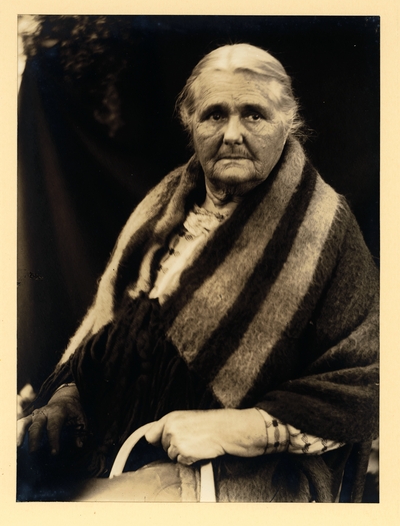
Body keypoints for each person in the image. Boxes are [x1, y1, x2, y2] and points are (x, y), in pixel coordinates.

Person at [17, 43, 379, 502]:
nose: (231, 133)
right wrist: (68, 393)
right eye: (213, 115)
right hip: (119, 441)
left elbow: (371, 382)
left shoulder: (327, 231)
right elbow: (108, 332)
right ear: (190, 123)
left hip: (255, 471)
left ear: (288, 124)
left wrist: (240, 429)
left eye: (254, 114)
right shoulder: (165, 201)